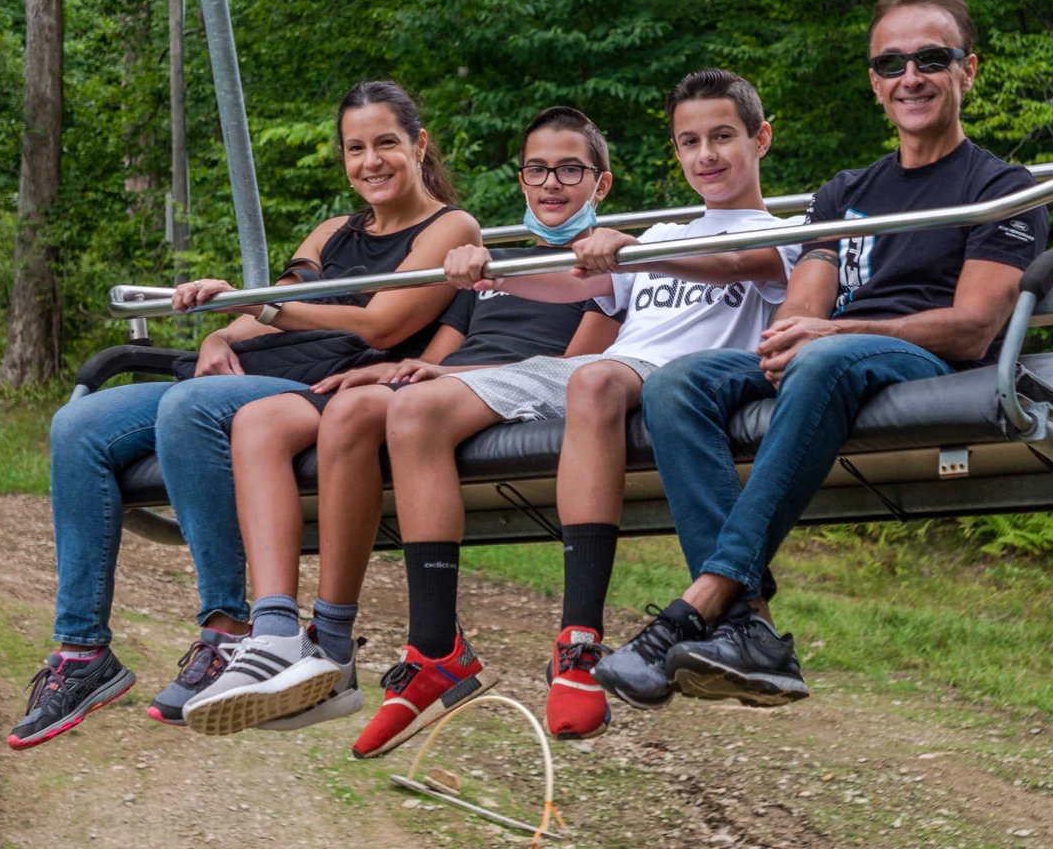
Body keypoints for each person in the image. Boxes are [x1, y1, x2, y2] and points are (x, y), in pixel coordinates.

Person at [594, 0, 1051, 712]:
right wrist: (797, 336)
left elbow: (973, 326)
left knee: (825, 354)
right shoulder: (843, 193)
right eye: (891, 64)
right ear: (874, 84)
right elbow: (801, 311)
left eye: (931, 59)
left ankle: (699, 605)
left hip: (919, 360)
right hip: (833, 356)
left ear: (968, 70)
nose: (911, 77)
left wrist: (831, 331)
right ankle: (749, 628)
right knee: (677, 383)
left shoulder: (1002, 187)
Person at [342, 68, 800, 760]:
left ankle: (577, 643)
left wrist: (645, 250)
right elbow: (566, 279)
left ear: (760, 139)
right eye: (689, 141)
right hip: (605, 371)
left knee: (593, 382)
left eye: (722, 137)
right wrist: (487, 268)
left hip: (682, 380)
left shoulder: (791, 228)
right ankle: (434, 646)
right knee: (415, 412)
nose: (706, 154)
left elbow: (743, 263)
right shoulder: (663, 230)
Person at [8, 80, 478, 751]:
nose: (370, 161)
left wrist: (257, 311)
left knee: (192, 406)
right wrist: (223, 332)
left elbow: (385, 321)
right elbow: (273, 304)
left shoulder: (450, 228)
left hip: (326, 388)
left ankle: (227, 630)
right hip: (262, 369)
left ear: (419, 144)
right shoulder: (331, 232)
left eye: (386, 144)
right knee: (77, 426)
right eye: (355, 148)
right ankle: (84, 653)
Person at [180, 107, 623, 736]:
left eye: (569, 171)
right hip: (449, 382)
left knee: (382, 406)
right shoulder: (492, 265)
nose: (552, 183)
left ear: (599, 185)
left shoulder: (602, 263)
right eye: (537, 170)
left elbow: (575, 362)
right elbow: (442, 348)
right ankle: (305, 632)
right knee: (325, 408)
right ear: (521, 180)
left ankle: (369, 638)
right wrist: (398, 370)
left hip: (509, 389)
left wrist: (435, 378)